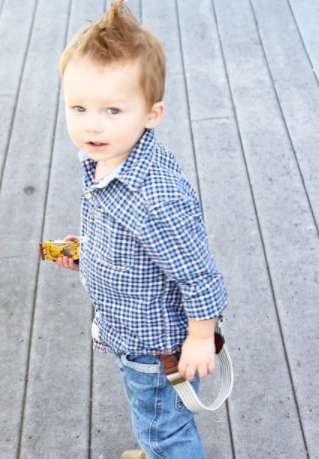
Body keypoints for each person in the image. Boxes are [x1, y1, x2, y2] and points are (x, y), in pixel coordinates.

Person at [56, 1, 228, 458]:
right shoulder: (103, 158)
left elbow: (200, 276)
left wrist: (199, 338)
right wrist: (88, 250)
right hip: (126, 327)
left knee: (164, 429)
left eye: (113, 110)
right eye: (79, 107)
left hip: (153, 346)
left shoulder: (155, 198)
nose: (93, 123)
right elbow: (125, 235)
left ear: (152, 113)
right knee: (152, 415)